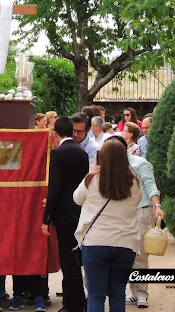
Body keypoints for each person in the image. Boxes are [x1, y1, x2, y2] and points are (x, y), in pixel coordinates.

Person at [73, 139, 142, 312]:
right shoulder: (134, 183)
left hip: (95, 242)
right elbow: (138, 202)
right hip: (125, 243)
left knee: (96, 295)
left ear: (101, 157)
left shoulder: (92, 180)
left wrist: (91, 172)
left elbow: (77, 199)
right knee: (118, 293)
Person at [110, 134, 163, 309]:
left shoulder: (141, 164)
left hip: (142, 211)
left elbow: (150, 184)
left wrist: (157, 205)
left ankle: (142, 294)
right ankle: (134, 292)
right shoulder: (113, 166)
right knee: (126, 254)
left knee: (139, 255)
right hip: (122, 213)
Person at [42, 116, 89, 312]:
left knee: (67, 262)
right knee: (75, 261)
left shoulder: (59, 153)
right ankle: (78, 301)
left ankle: (72, 305)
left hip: (64, 215)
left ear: (55, 133)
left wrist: (47, 218)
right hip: (80, 212)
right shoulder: (82, 152)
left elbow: (55, 188)